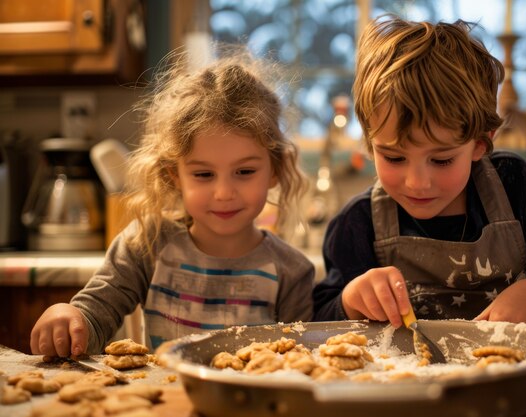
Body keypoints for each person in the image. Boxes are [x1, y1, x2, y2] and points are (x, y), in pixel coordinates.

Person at [313, 16, 526, 330]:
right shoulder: (358, 222)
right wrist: (351, 299)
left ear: (480, 144)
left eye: (441, 160)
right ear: (370, 145)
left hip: (512, 376)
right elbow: (320, 316)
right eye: (394, 158)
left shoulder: (513, 186)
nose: (417, 182)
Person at [31, 49, 315, 356]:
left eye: (244, 172)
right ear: (174, 176)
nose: (223, 192)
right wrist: (71, 318)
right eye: (204, 174)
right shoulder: (146, 245)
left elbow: (297, 364)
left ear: (275, 170)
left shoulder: (291, 272)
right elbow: (95, 315)